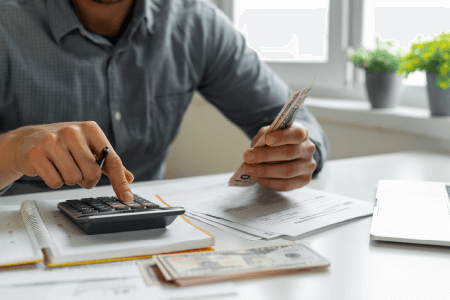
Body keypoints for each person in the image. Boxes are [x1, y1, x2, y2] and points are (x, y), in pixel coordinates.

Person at [0, 0, 330, 200]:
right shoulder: (6, 23)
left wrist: (295, 151)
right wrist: (11, 149)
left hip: (148, 235)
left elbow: (299, 124)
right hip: (19, 231)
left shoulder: (196, 23)